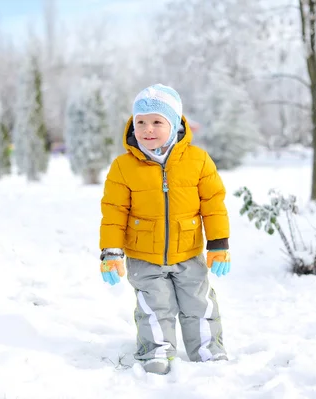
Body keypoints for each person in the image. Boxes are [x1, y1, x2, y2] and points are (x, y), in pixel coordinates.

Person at [98, 83, 231, 375]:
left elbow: (213, 203)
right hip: (144, 256)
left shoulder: (198, 160)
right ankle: (156, 352)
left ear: (174, 124)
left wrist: (219, 245)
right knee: (153, 307)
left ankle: (208, 350)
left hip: (188, 252)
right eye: (141, 122)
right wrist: (111, 252)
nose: (148, 129)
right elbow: (113, 213)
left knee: (199, 304)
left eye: (157, 121)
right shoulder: (123, 167)